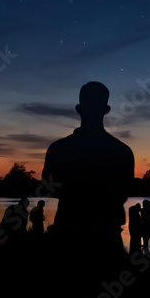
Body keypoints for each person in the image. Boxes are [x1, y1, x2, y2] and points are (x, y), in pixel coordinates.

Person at [42, 81, 134, 260]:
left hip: (68, 238)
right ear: (106, 110)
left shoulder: (59, 149)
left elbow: (48, 188)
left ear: (79, 109)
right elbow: (123, 193)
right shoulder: (122, 151)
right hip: (106, 240)